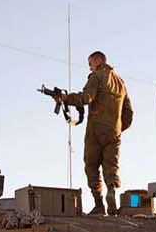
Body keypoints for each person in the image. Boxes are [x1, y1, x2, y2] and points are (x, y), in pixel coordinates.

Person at [53, 51, 133, 215]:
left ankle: (98, 203)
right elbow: (129, 112)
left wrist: (66, 98)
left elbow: (86, 97)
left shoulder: (96, 76)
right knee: (111, 165)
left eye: (90, 63)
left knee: (91, 165)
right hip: (114, 132)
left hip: (96, 129)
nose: (90, 67)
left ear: (98, 61)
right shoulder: (120, 82)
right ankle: (111, 190)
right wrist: (117, 128)